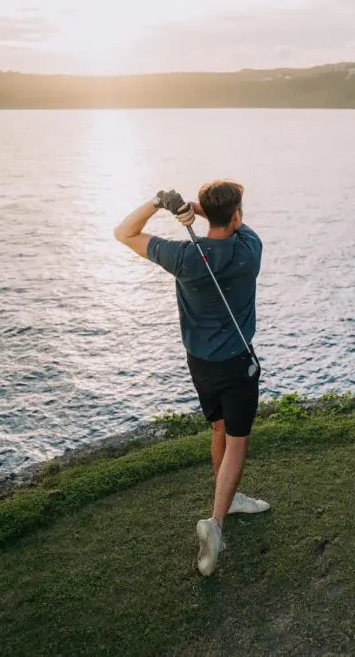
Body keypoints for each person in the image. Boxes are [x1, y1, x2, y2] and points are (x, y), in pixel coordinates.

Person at [114, 179, 269, 577]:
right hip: (236, 364)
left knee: (218, 428)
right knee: (236, 442)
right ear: (235, 215)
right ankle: (216, 524)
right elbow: (234, 224)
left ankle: (228, 498)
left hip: (199, 364)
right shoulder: (249, 251)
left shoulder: (183, 256)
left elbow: (124, 232)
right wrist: (198, 212)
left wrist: (159, 203)